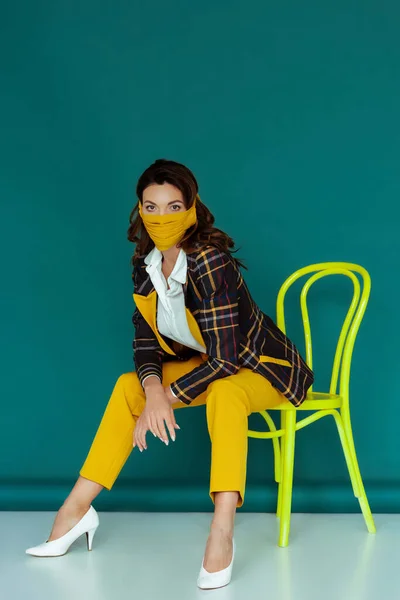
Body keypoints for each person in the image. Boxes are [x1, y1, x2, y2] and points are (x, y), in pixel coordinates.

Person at [25, 159, 314, 589]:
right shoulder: (145, 263)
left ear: (192, 207)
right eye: (152, 206)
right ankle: (77, 509)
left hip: (263, 368)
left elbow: (226, 362)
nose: (162, 217)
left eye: (174, 205)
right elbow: (145, 344)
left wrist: (167, 397)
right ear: (140, 210)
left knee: (227, 393)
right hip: (211, 365)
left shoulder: (209, 261)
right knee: (131, 387)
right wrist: (154, 391)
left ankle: (223, 532)